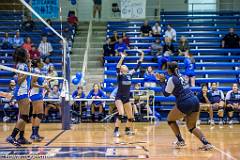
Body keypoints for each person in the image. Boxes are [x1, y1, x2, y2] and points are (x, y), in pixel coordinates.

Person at [155, 62, 212, 150]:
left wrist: (161, 82)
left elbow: (166, 93)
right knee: (192, 127)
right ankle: (207, 143)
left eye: (167, 69)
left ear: (169, 70)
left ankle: (181, 140)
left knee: (170, 120)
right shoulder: (181, 76)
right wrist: (165, 79)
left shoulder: (171, 79)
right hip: (195, 100)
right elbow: (174, 81)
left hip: (185, 102)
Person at [113, 50, 144, 137]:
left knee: (131, 117)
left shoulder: (130, 74)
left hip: (126, 98)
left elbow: (138, 66)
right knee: (121, 113)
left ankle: (127, 130)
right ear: (122, 69)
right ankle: (116, 130)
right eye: (123, 66)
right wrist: (122, 58)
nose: (125, 66)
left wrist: (142, 55)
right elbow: (117, 67)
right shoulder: (120, 75)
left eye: (125, 65)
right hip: (119, 97)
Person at [6, 47, 32, 146]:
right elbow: (19, 80)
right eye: (26, 52)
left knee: (23, 116)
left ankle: (21, 137)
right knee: (24, 116)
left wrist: (28, 68)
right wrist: (27, 72)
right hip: (21, 92)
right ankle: (12, 136)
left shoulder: (23, 65)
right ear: (23, 55)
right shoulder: (22, 66)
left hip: (23, 91)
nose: (28, 53)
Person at [29, 58, 48, 142]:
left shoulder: (37, 71)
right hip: (36, 94)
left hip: (36, 94)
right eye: (41, 61)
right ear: (38, 64)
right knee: (39, 114)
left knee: (35, 114)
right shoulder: (36, 72)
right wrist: (42, 87)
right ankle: (34, 134)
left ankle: (34, 134)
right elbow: (32, 84)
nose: (42, 63)